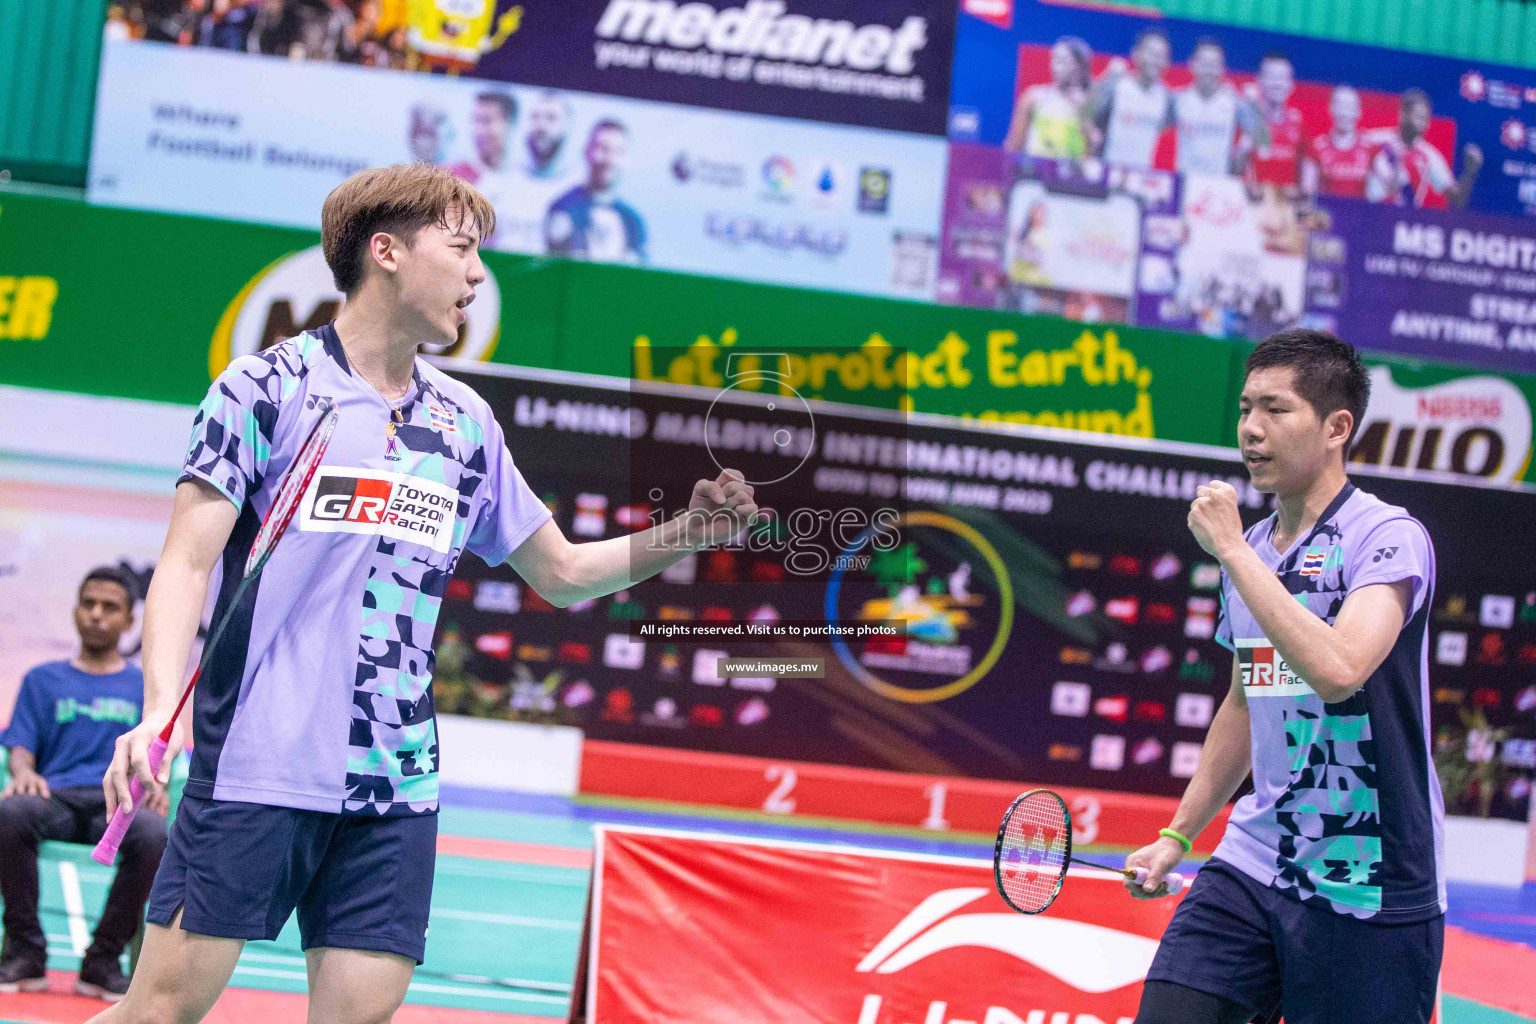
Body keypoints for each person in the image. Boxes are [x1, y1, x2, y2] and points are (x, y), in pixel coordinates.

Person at [90, 163, 756, 1024]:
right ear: (388, 251)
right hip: (261, 760)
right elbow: (183, 565)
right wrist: (153, 714)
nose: (479, 274)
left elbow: (560, 572)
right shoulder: (267, 391)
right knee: (160, 1013)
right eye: (464, 247)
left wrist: (688, 536)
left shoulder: (465, 424)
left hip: (393, 778)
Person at [1126, 329, 1444, 1024]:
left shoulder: (1387, 537)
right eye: (1245, 409)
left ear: (1337, 427)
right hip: (1255, 860)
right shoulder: (1253, 552)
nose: (1250, 430)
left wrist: (1235, 552)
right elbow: (1246, 703)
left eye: (1275, 410)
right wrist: (1177, 836)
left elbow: (1339, 671)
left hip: (1370, 880)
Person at [0, 568, 167, 1002]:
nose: (96, 614)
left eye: (109, 607)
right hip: (53, 799)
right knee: (10, 813)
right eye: (88, 603)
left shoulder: (143, 687)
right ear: (76, 610)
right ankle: (25, 953)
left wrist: (156, 784)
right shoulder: (42, 679)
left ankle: (102, 961)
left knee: (152, 832)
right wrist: (23, 773)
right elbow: (19, 746)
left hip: (116, 806)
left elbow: (157, 753)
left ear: (129, 621)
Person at [546, 119, 648, 264]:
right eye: (603, 149)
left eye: (618, 152)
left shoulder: (632, 220)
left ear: (626, 159)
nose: (609, 159)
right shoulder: (564, 208)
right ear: (587, 151)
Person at [1366, 88, 1482, 208]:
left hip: (1404, 222)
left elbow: (1455, 200)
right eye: (1418, 117)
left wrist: (1469, 172)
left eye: (1425, 119)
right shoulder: (1375, 141)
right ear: (1402, 114)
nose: (1423, 124)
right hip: (1367, 216)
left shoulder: (1429, 156)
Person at [1173, 38, 1265, 178]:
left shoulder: (1233, 102)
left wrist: (1253, 105)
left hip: (1218, 187)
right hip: (1184, 183)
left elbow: (1263, 139)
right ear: (1192, 64)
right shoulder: (1178, 98)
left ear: (1222, 68)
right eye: (1204, 63)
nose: (1209, 70)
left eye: (1214, 64)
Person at [1087, 28, 1173, 169]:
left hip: (1143, 177)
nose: (1155, 60)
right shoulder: (1117, 85)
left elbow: (1165, 125)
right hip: (1109, 171)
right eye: (1151, 53)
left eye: (1161, 56)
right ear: (1136, 54)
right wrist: (1105, 79)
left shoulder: (1166, 96)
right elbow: (1092, 114)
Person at [447, 91, 520, 249]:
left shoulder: (526, 179)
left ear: (510, 124)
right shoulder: (449, 177)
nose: (478, 130)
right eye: (476, 121)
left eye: (487, 121)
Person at [1003, 36, 1091, 159]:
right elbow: (1014, 145)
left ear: (1079, 67)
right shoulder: (1034, 98)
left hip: (1071, 176)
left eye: (1063, 62)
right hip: (1035, 174)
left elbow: (1092, 153)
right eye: (1054, 60)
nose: (1055, 67)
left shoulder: (1089, 105)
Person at [1247, 52, 1305, 194]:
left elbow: (1307, 175)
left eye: (1282, 78)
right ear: (1259, 81)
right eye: (1272, 77)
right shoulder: (1246, 121)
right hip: (1252, 205)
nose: (1277, 84)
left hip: (1287, 209)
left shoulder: (1298, 123)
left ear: (1291, 85)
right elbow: (1234, 170)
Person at [1302, 85, 1373, 200]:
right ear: (1330, 108)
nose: (1344, 112)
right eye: (1340, 106)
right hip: (1325, 215)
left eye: (1349, 107)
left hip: (1361, 216)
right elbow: (1307, 191)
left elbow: (1388, 187)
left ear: (1358, 111)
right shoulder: (1317, 147)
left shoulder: (1369, 148)